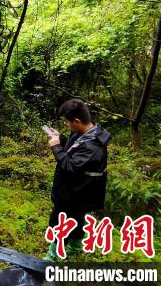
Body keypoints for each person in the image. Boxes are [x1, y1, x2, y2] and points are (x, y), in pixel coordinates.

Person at [45, 98, 111, 261]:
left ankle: (52, 257)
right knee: (76, 218)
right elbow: (74, 148)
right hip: (77, 193)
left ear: (77, 121)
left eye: (67, 122)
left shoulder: (93, 146)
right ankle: (75, 246)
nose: (66, 125)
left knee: (59, 221)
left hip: (76, 193)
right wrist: (60, 138)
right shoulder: (86, 134)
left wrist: (55, 147)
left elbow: (71, 166)